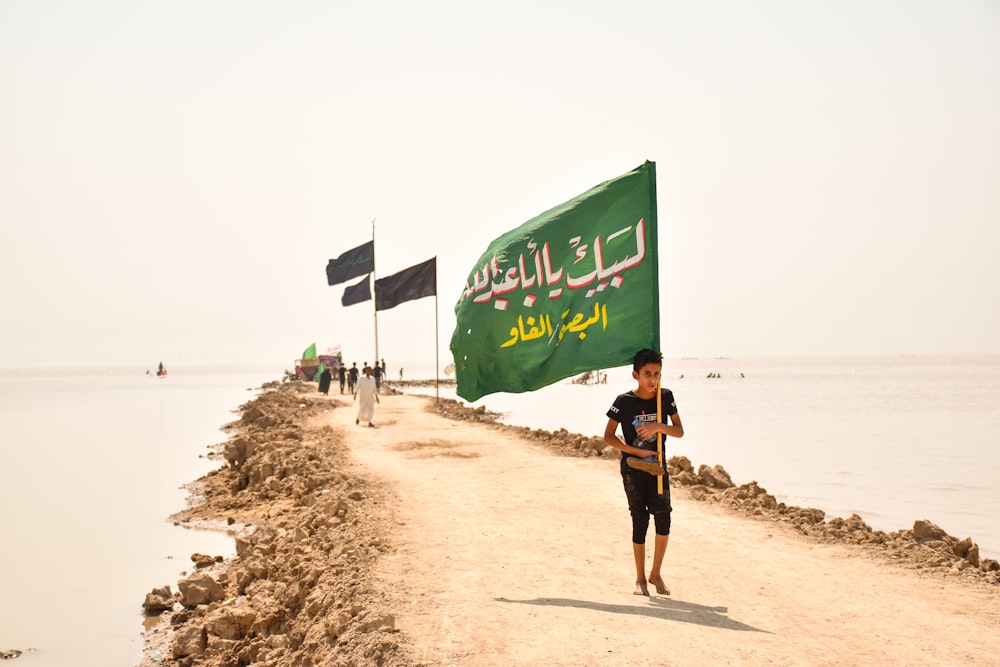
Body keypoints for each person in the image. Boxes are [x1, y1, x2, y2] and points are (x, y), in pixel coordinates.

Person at [603, 349, 685, 597]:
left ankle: (656, 573)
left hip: (658, 468)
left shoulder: (665, 397)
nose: (653, 380)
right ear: (635, 374)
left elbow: (679, 431)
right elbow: (608, 437)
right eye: (647, 374)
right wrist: (636, 452)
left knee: (664, 518)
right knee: (640, 520)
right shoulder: (624, 402)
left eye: (657, 374)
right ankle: (640, 578)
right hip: (634, 468)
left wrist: (659, 426)